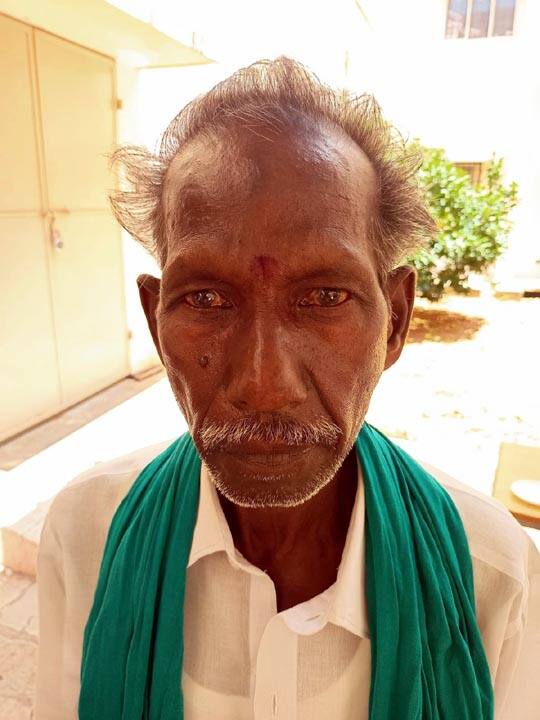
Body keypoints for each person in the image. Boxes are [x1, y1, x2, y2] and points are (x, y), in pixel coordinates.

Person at [35, 58, 539, 720]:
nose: (264, 384)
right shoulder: (87, 532)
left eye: (325, 297)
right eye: (207, 298)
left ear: (395, 321)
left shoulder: (493, 571)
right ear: (157, 323)